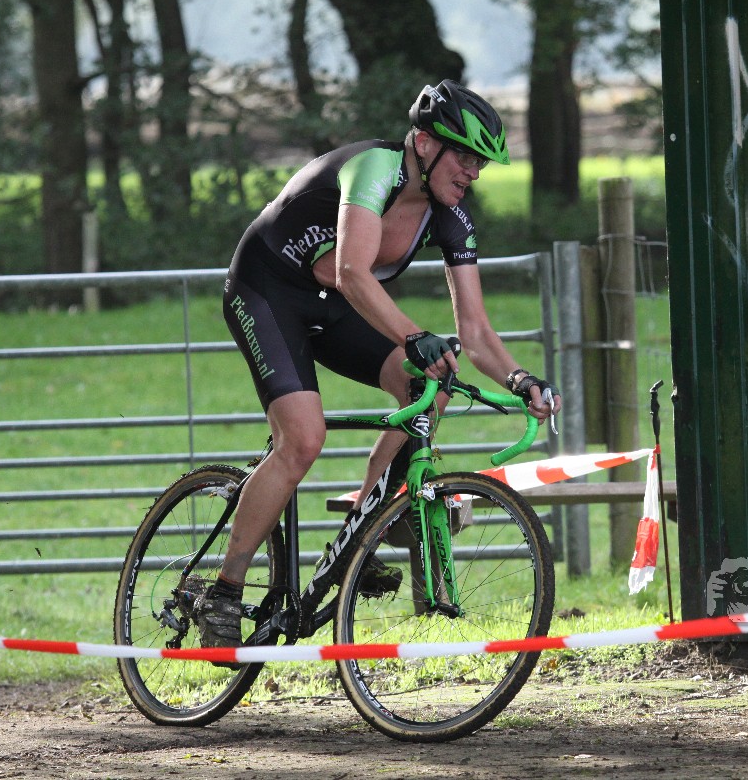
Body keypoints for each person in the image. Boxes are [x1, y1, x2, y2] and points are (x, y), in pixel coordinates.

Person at [195, 79, 562, 649]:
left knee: (435, 383)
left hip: (336, 305)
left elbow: (475, 331)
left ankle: (360, 536)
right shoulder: (375, 170)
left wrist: (520, 379)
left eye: (481, 163)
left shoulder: (450, 217)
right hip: (268, 291)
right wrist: (415, 336)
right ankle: (222, 593)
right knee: (303, 440)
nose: (473, 173)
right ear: (424, 143)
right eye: (465, 157)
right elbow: (351, 271)